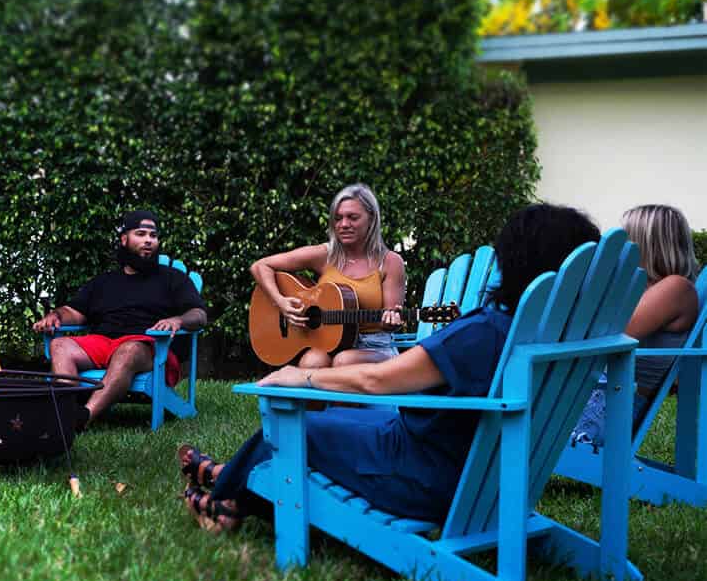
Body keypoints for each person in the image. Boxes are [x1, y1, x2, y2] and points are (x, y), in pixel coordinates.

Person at [175, 203, 601, 532]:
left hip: (421, 474)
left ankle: (226, 504)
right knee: (339, 422)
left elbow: (376, 379)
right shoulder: (559, 333)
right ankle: (222, 474)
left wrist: (302, 376)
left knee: (293, 427)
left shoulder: (485, 332)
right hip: (484, 474)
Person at [32, 210, 207, 429]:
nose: (148, 241)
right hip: (104, 342)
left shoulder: (173, 279)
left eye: (153, 236)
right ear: (124, 239)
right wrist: (56, 316)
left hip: (149, 345)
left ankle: (83, 417)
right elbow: (74, 311)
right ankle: (66, 412)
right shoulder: (104, 282)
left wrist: (178, 321)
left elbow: (199, 315)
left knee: (128, 350)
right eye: (141, 234)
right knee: (60, 345)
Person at [570, 203, 700, 447]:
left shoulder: (675, 288)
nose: (619, 249)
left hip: (608, 410)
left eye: (626, 238)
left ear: (645, 243)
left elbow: (607, 336)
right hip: (600, 397)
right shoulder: (647, 290)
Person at [248, 183, 407, 367]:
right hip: (327, 342)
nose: (344, 224)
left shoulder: (390, 262)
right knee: (311, 363)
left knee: (344, 362)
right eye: (338, 218)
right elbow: (261, 266)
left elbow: (389, 321)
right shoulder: (325, 255)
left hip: (375, 347)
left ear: (371, 219)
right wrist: (281, 301)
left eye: (352, 218)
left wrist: (392, 320)